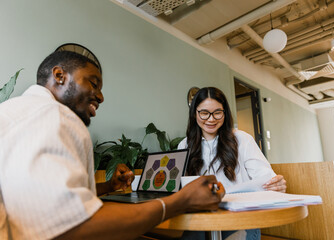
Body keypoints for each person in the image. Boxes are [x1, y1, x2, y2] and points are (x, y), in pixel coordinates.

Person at [0, 51, 225, 240]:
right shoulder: (56, 115)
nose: (101, 96)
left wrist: (108, 187)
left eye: (216, 112)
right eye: (94, 83)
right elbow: (70, 225)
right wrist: (179, 201)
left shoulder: (13, 110)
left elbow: (39, 199)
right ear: (59, 75)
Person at [178, 87, 286, 240]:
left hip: (240, 218)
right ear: (195, 114)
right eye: (204, 113)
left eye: (217, 112)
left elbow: (266, 177)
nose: (211, 119)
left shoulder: (242, 139)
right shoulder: (184, 145)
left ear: (225, 113)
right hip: (200, 219)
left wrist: (276, 184)